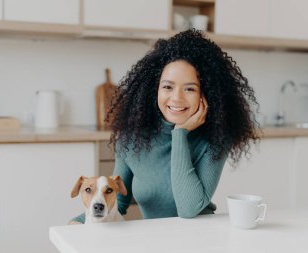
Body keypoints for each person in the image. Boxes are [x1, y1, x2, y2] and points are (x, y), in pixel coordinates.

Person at [70, 29, 259, 224]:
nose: (176, 98)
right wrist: (77, 222)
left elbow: (188, 209)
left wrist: (180, 133)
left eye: (190, 88)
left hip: (202, 237)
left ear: (207, 94)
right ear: (154, 90)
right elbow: (117, 201)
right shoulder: (131, 139)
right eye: (168, 87)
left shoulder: (214, 139)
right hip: (155, 240)